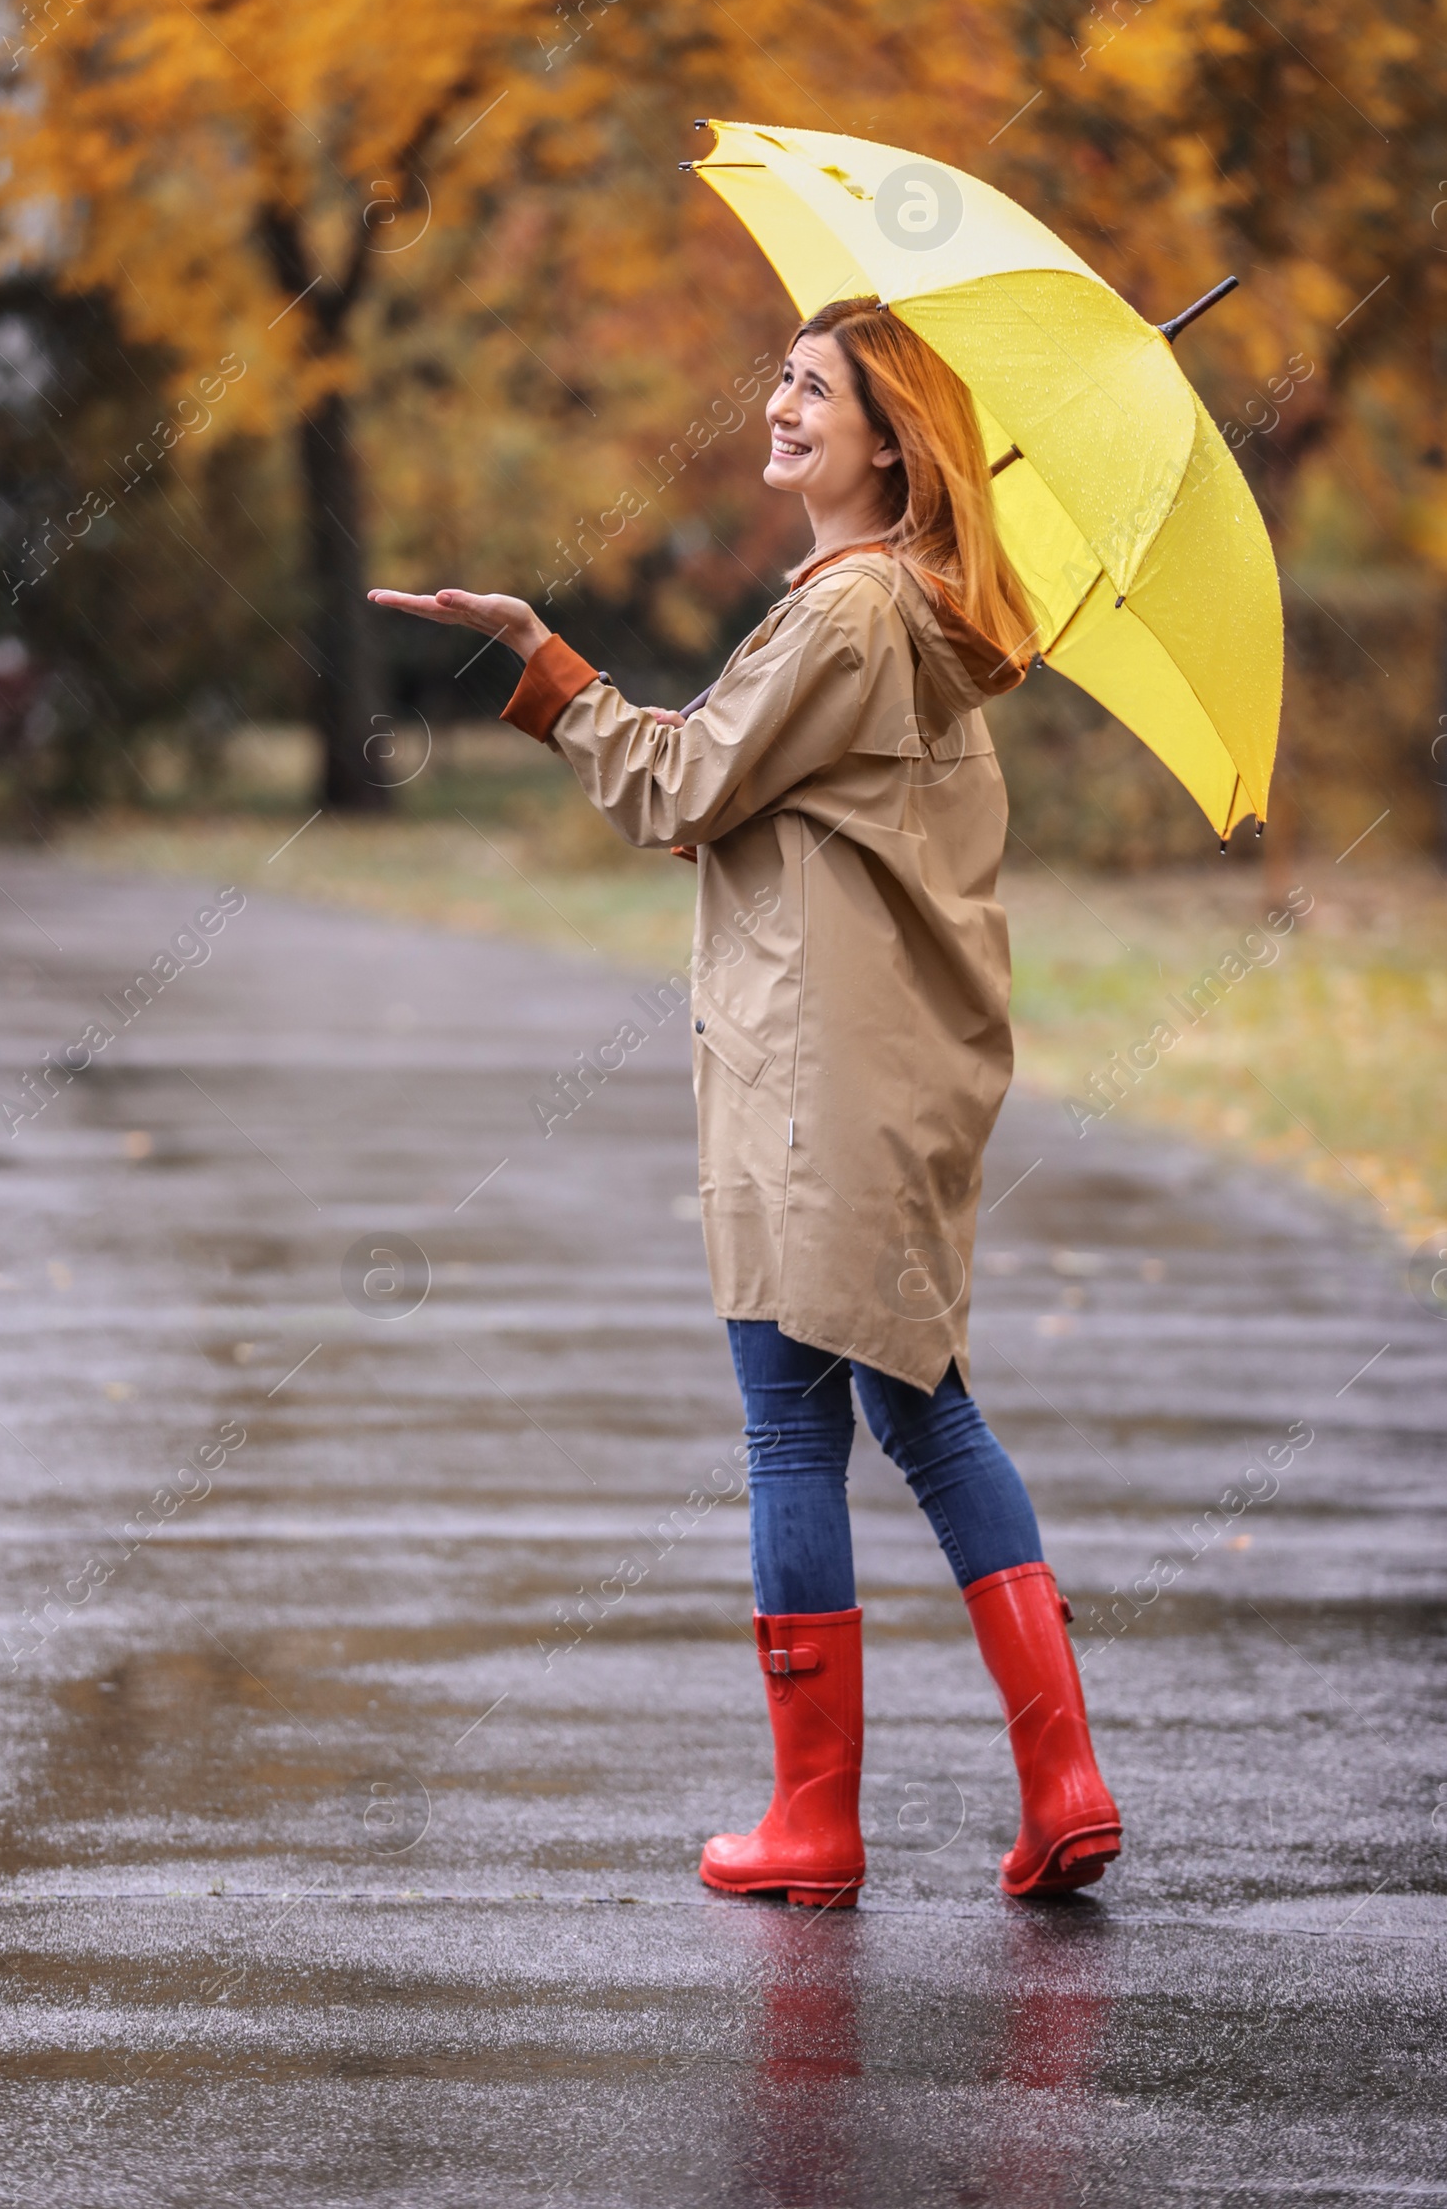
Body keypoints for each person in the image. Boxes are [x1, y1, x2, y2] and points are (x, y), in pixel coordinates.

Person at [370, 295, 1121, 1909]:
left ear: (887, 441)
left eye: (813, 389)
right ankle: (1064, 1781)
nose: (777, 406)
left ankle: (814, 1823)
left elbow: (683, 787)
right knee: (926, 1405)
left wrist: (539, 661)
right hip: (897, 1071)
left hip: (816, 1083)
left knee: (796, 1422)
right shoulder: (916, 613)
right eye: (779, 378)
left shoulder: (848, 618)